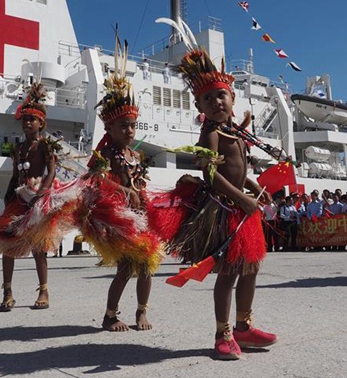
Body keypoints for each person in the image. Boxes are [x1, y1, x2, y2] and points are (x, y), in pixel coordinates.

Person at [150, 44, 276, 360]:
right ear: (199, 105)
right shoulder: (210, 134)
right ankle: (223, 334)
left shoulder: (231, 131)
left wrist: (255, 187)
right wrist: (242, 199)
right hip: (223, 210)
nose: (216, 101)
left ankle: (244, 327)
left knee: (251, 268)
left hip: (240, 207)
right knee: (229, 273)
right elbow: (209, 173)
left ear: (232, 98)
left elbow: (237, 170)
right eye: (209, 98)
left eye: (222, 95)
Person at [76, 34, 161, 332]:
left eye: (132, 125)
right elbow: (93, 180)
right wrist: (124, 190)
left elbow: (140, 182)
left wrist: (139, 192)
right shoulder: (106, 152)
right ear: (109, 126)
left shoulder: (134, 153)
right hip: (119, 218)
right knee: (125, 268)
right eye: (123, 125)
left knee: (148, 266)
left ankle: (141, 312)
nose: (129, 130)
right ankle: (110, 315)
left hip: (140, 216)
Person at [0, 83, 75, 312]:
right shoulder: (18, 149)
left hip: (38, 200)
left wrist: (41, 194)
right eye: (24, 119)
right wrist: (9, 196)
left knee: (39, 247)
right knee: (7, 244)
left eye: (32, 120)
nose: (27, 123)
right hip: (18, 200)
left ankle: (44, 290)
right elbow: (16, 174)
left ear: (41, 123)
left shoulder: (46, 145)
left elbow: (51, 171)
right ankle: (7, 291)